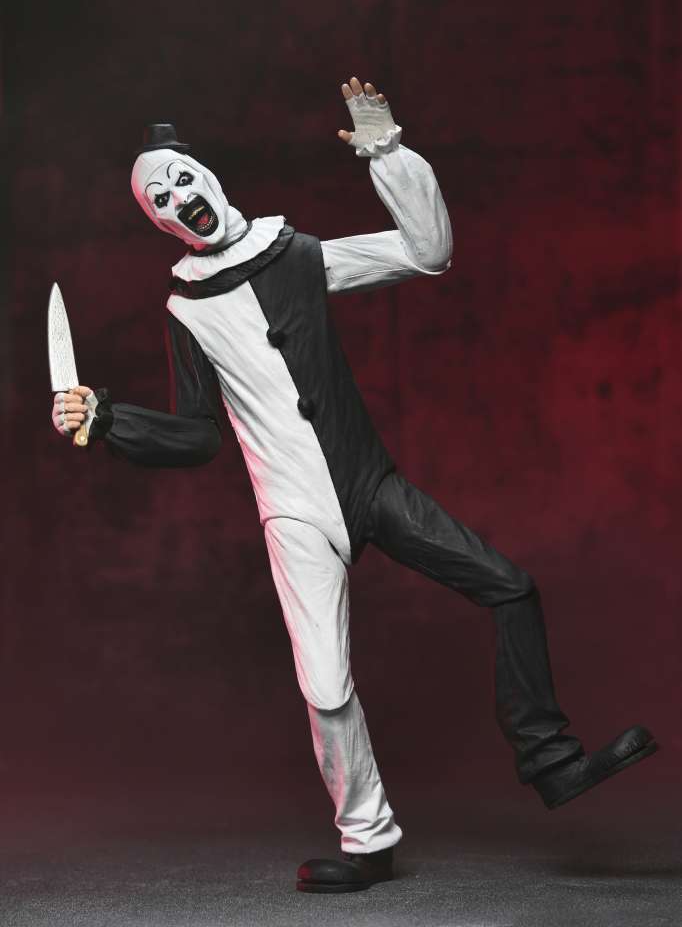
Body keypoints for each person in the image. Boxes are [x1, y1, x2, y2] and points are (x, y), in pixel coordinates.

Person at [51, 77, 658, 894]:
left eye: (179, 180)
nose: (175, 198)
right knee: (326, 686)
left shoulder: (297, 257)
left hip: (372, 487)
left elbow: (425, 253)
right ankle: (367, 838)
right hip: (297, 511)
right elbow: (197, 437)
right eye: (158, 199)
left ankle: (552, 761)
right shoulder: (186, 309)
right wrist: (106, 419)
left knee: (511, 587)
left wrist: (389, 154)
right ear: (158, 222)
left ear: (209, 179)